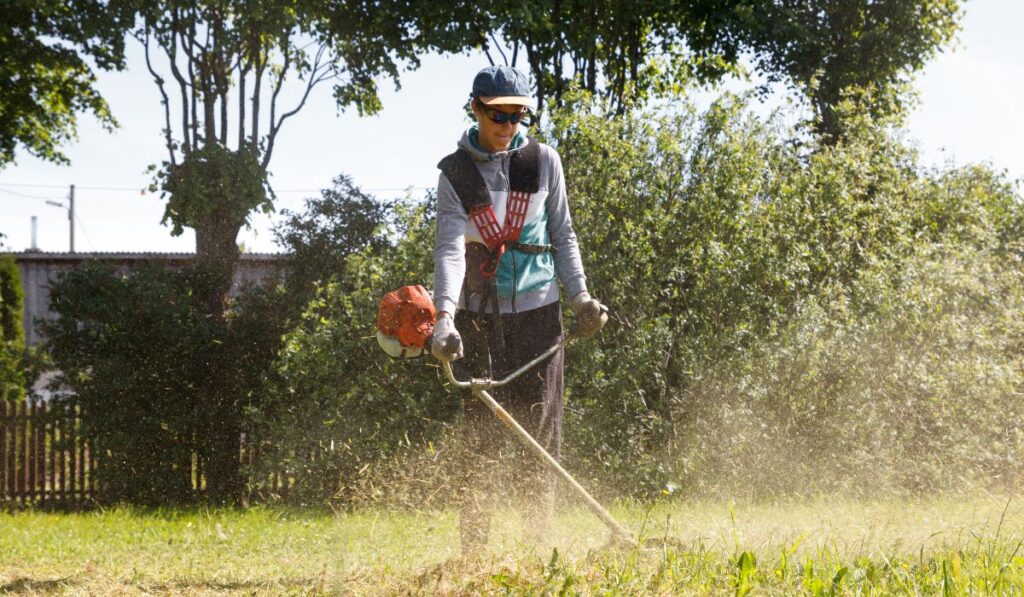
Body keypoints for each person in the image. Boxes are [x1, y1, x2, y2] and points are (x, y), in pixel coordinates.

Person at [430, 65, 606, 555]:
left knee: (542, 438)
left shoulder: (543, 161)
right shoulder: (454, 172)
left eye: (517, 115)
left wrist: (581, 298)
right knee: (481, 441)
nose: (508, 125)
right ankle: (473, 559)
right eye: (497, 115)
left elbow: (562, 233)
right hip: (477, 319)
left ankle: (538, 553)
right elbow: (448, 249)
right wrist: (444, 318)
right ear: (476, 109)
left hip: (539, 314)